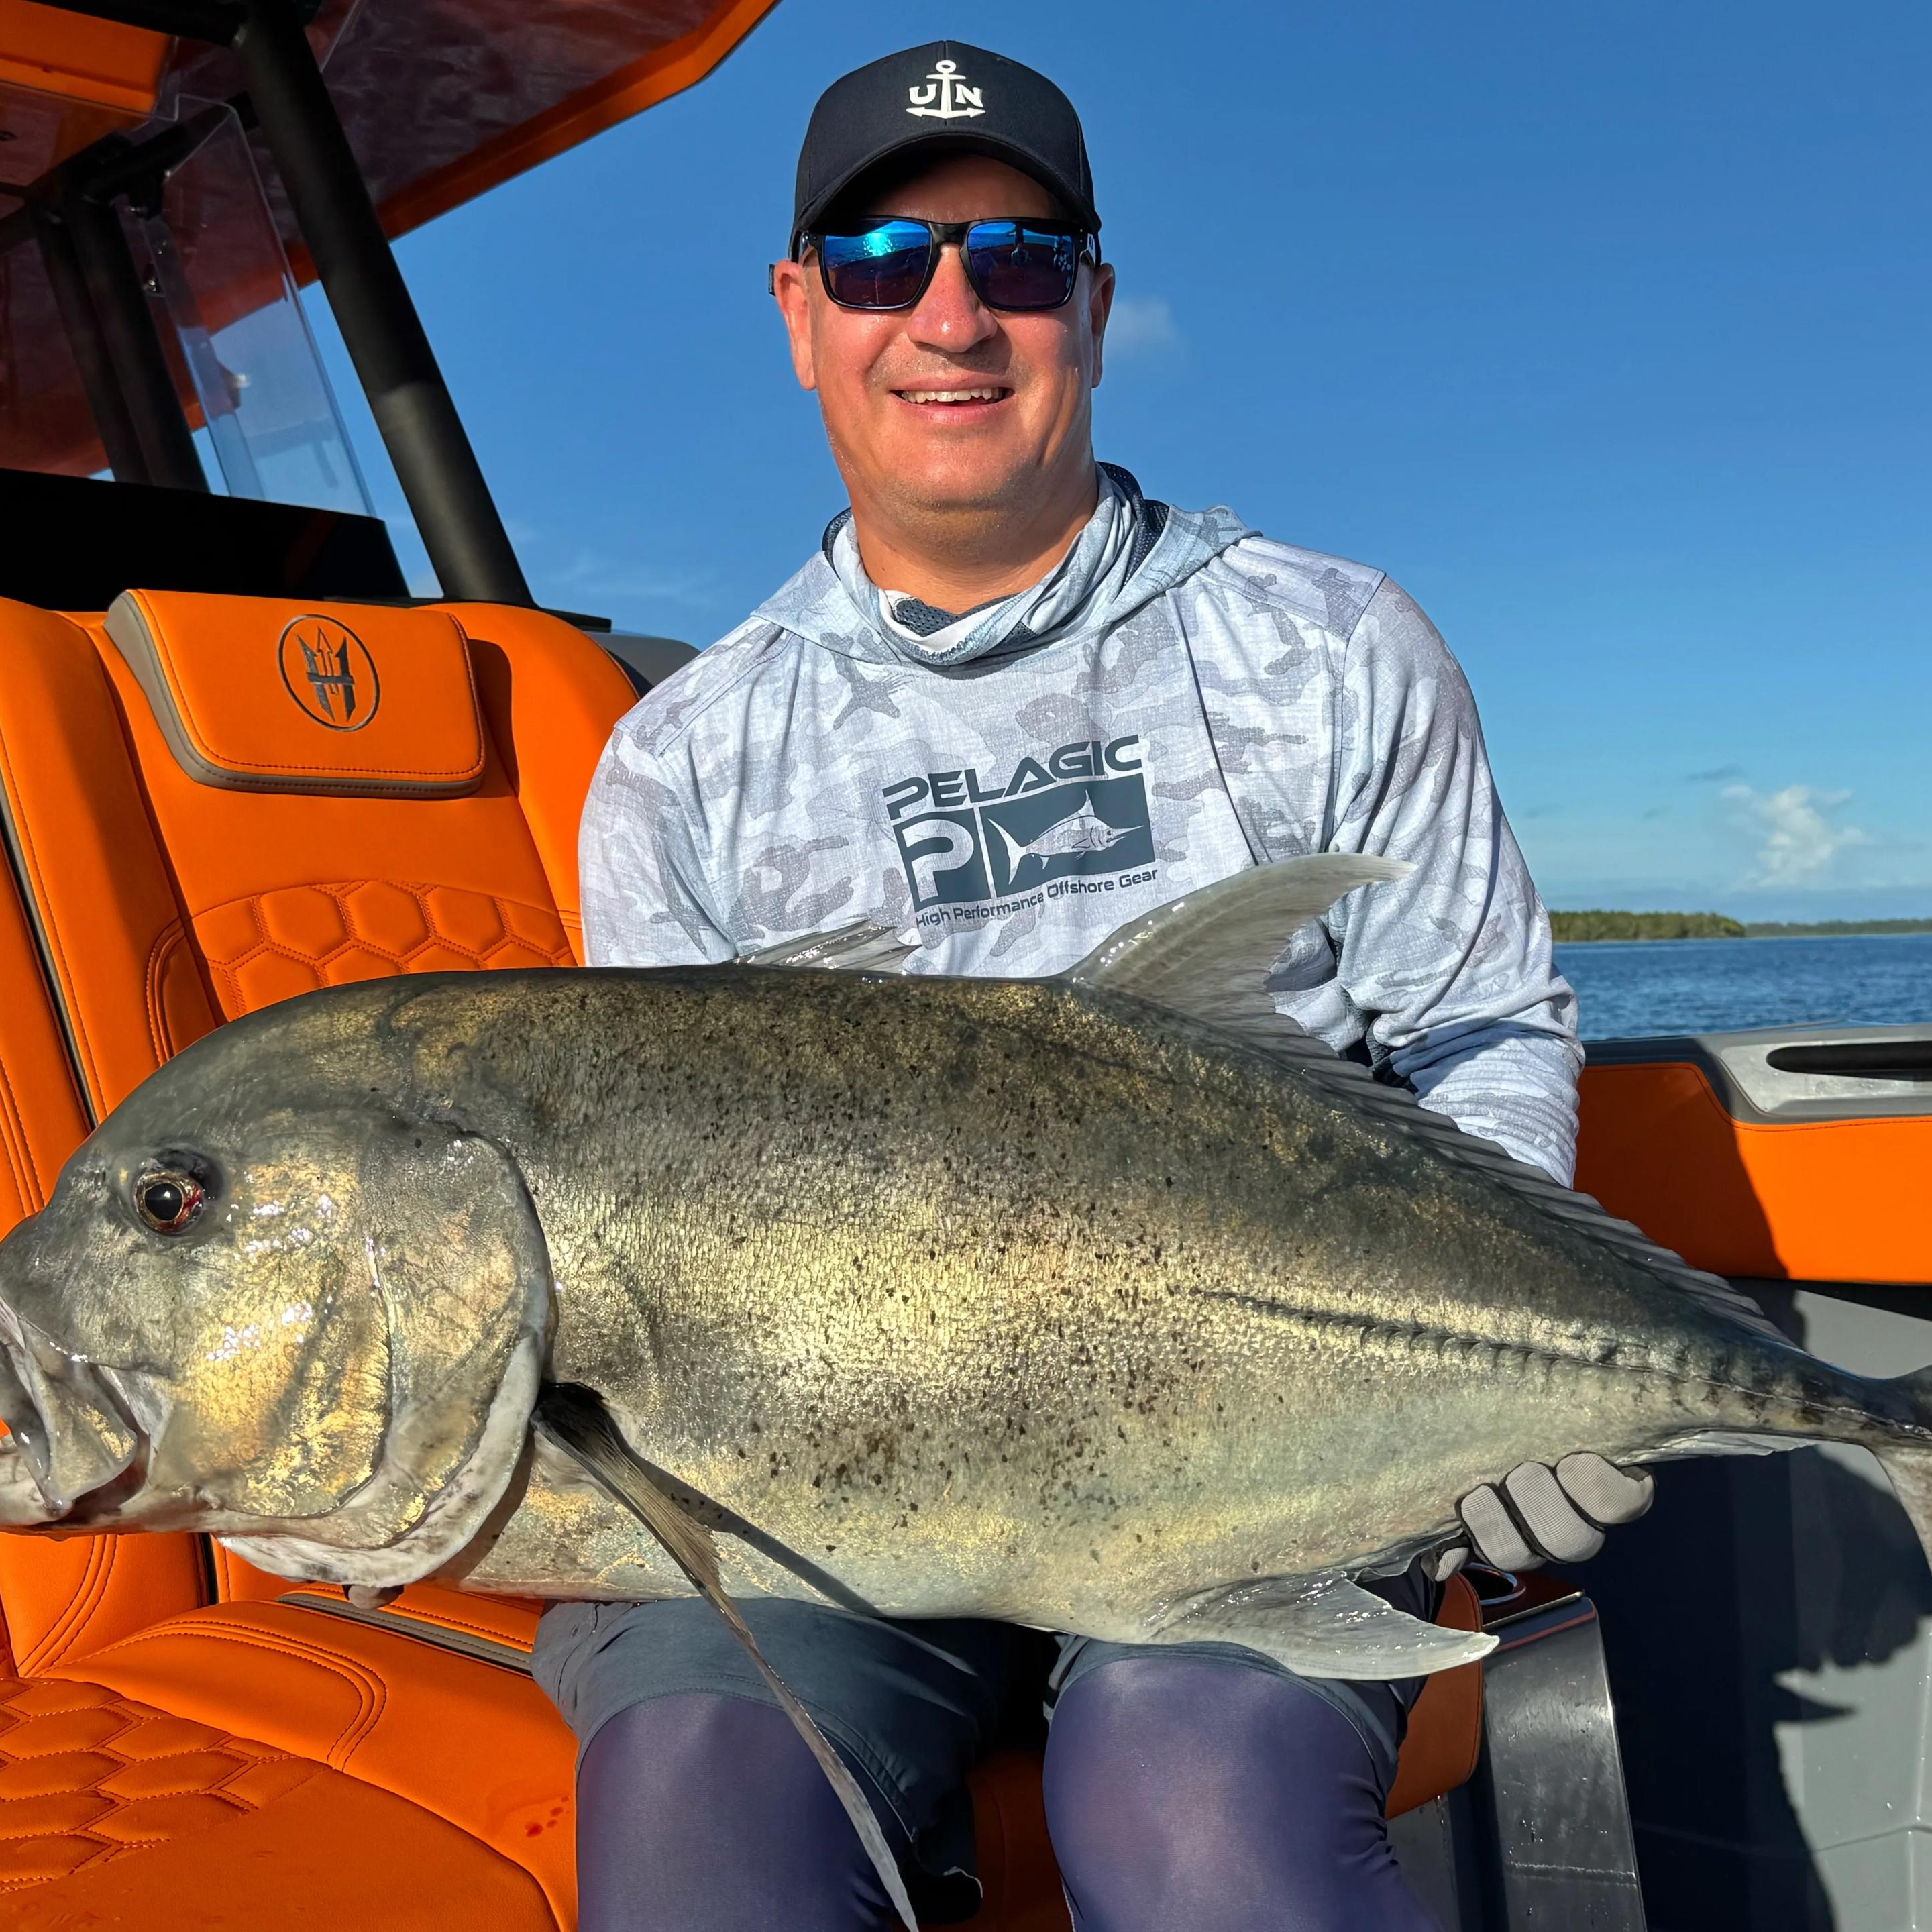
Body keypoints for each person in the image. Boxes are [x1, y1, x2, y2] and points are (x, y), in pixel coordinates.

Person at [543, 42, 1653, 1931]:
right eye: (885, 258)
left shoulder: (1327, 646)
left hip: (1263, 1453)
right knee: (698, 1796)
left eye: (1020, 259)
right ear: (800, 311)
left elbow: (1476, 1028)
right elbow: (658, 1220)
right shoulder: (685, 762)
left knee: (1193, 1799)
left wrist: (1529, 1367)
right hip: (820, 1503)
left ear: (1099, 306)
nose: (952, 315)